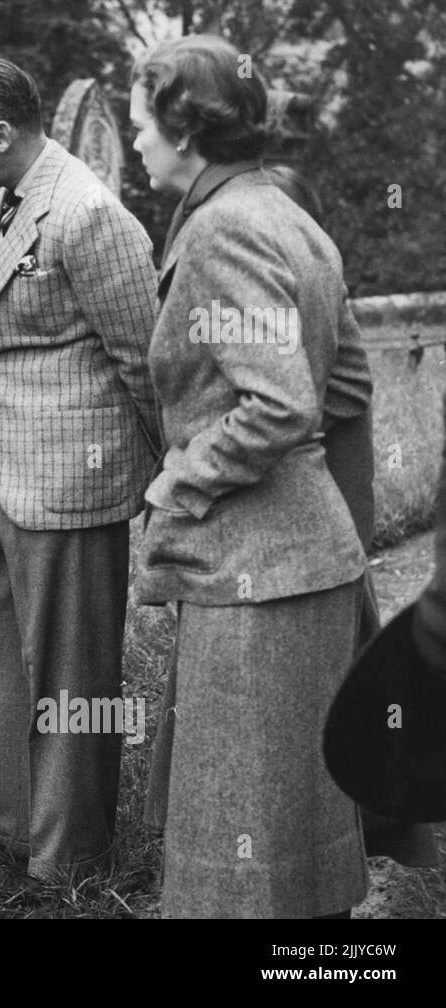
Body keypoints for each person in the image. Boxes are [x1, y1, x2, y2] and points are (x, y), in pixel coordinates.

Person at [130, 34, 371, 917]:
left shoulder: (223, 227)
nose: (138, 144)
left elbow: (281, 405)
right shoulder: (285, 210)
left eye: (141, 126)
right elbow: (345, 385)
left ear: (185, 131)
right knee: (297, 823)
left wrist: (179, 480)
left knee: (243, 833)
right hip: (309, 562)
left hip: (257, 573)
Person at [0, 58, 161, 882]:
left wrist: (168, 479)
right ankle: (10, 826)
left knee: (71, 672)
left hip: (74, 478)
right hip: (3, 470)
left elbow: (146, 360)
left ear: (3, 133)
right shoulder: (7, 196)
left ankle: (70, 861)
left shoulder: (88, 213)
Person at [263, 164, 440, 869]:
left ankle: (364, 818)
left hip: (321, 529)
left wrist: (347, 534)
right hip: (262, 540)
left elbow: (346, 421)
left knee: (340, 679)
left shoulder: (322, 300)